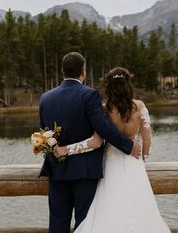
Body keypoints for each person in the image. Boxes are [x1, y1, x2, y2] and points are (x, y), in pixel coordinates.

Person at [54, 67, 171, 233]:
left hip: (110, 166)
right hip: (134, 165)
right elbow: (147, 140)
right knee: (140, 208)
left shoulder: (104, 110)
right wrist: (143, 161)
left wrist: (67, 149)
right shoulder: (139, 107)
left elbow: (95, 142)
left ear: (109, 86)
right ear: (128, 85)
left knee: (109, 206)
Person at [39, 53, 141, 233]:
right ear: (83, 72)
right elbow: (103, 127)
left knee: (57, 223)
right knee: (85, 223)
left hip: (57, 169)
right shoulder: (89, 95)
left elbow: (44, 133)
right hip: (84, 172)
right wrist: (128, 145)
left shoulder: (46, 98)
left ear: (63, 71)